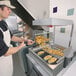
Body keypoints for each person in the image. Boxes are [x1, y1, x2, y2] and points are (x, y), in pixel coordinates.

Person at [0, 1, 34, 76]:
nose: (10, 11)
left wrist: (24, 40)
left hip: (7, 60)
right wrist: (21, 46)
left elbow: (11, 37)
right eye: (8, 9)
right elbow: (5, 52)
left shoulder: (3, 22)